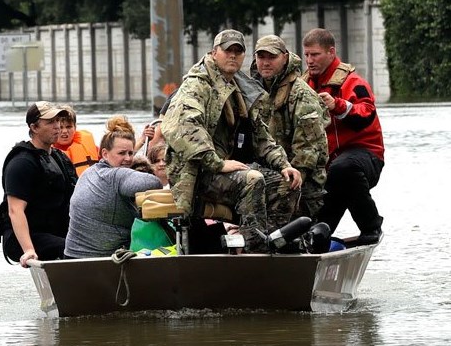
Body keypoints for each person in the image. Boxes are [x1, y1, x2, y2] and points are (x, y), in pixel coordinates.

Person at [161, 29, 303, 252]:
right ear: (214, 52)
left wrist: (284, 165)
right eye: (228, 51)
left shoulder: (240, 88)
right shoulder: (197, 84)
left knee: (288, 184)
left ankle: (273, 242)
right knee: (252, 179)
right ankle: (253, 250)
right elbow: (183, 127)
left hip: (225, 168)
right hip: (197, 171)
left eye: (238, 51)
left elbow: (262, 137)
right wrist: (217, 163)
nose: (233, 56)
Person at [302, 28, 385, 244]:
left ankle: (371, 226)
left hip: (365, 157)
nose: (310, 60)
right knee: (313, 231)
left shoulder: (353, 82)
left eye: (315, 54)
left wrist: (337, 105)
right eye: (307, 55)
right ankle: (317, 241)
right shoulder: (304, 85)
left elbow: (366, 114)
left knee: (343, 168)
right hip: (329, 168)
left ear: (331, 52)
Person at [251, 34, 330, 218]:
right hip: (267, 174)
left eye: (272, 57)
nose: (266, 62)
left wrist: (288, 182)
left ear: (285, 57)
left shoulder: (302, 94)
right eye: (261, 57)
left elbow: (307, 150)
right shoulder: (254, 91)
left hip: (303, 184)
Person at [64, 116, 163, 259]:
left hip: (71, 255)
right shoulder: (116, 176)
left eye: (130, 153)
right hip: (99, 260)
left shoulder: (90, 171)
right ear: (104, 153)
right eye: (122, 153)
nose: (128, 158)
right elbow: (154, 183)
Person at [0, 101, 78, 267]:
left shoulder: (59, 157)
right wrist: (29, 250)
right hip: (24, 237)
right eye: (50, 122)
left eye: (58, 121)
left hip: (53, 231)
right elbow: (15, 210)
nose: (58, 127)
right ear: (34, 127)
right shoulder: (22, 162)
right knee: (73, 249)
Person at [53, 104, 100, 176]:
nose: (65, 131)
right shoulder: (46, 153)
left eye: (69, 127)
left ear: (75, 127)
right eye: (60, 127)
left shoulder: (95, 150)